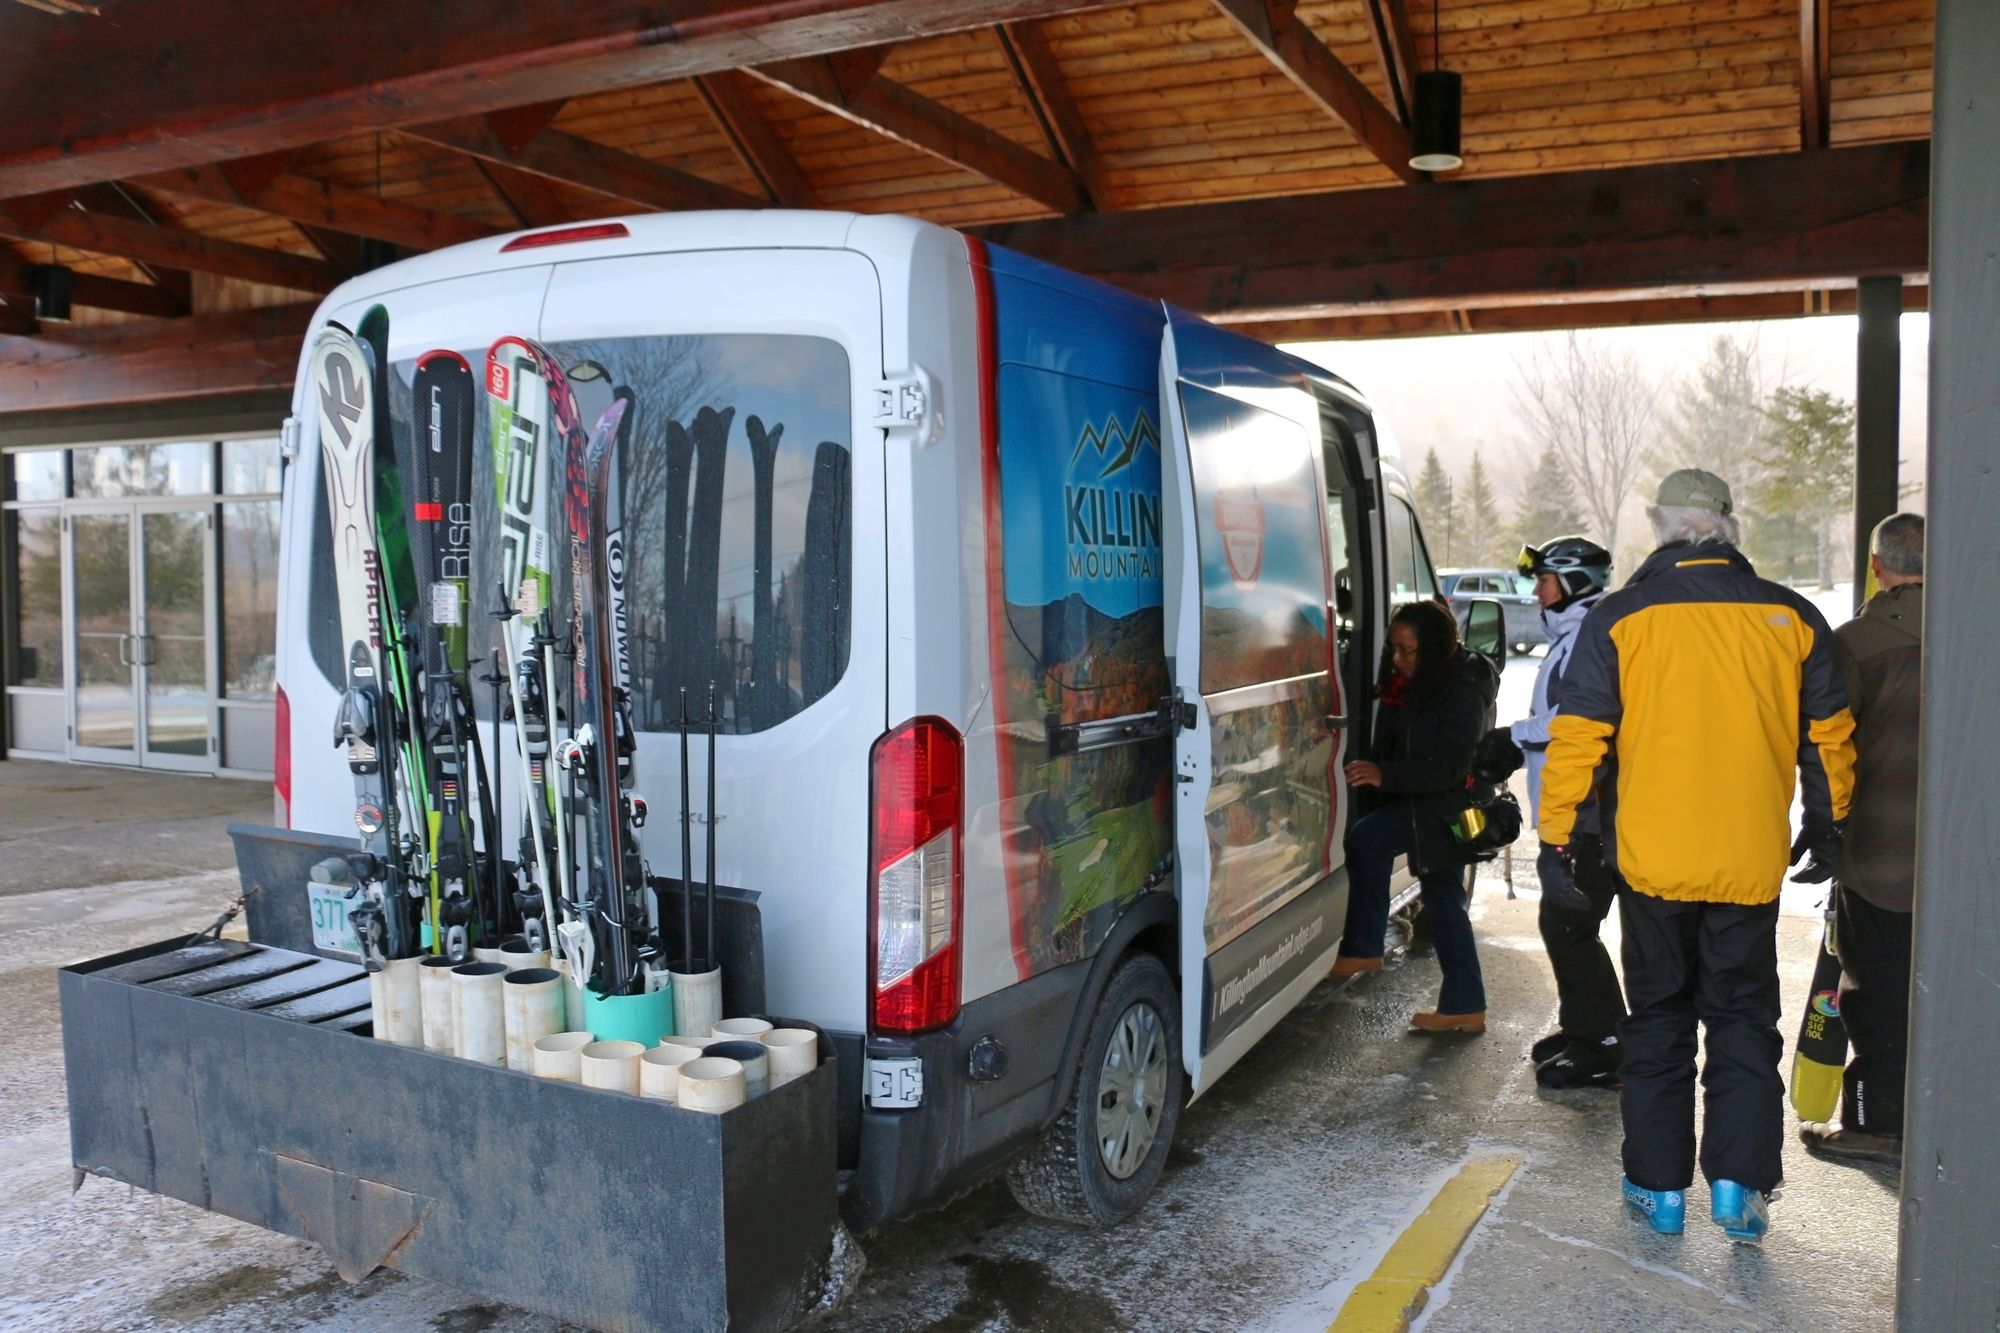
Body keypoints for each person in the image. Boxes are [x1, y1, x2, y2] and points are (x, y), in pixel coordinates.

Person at [1537, 468, 1856, 1244]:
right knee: (1744, 1018)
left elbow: (1578, 738)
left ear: (1664, 527)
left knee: (1659, 1021)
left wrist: (1555, 839)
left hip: (1653, 862)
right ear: (1726, 528)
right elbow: (1831, 736)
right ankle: (1739, 1189)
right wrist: (1828, 821)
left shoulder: (1622, 617)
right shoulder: (1793, 616)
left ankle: (1659, 1189)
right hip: (1746, 862)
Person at [1799, 512, 1924, 1165]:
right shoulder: (1976, 633)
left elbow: (1827, 746)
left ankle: (1878, 1123)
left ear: (1877, 566)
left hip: (1878, 855)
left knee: (1873, 988)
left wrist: (1826, 826)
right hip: (1959, 860)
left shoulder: (1855, 644)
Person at [1480, 536, 1625, 1089]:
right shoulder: (1572, 634)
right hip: (1572, 805)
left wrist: (1513, 736)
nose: (1535, 594)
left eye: (1542, 582)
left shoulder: (1589, 634)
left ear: (1574, 583)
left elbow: (1574, 717)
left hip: (1588, 810)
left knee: (1569, 924)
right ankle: (1589, 1026)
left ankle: (1604, 1045)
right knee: (1564, 923)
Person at [1332, 598, 1499, 1033]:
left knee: (1369, 841)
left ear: (1438, 647)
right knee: (1444, 901)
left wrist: (1384, 775)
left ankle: (1365, 946)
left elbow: (1449, 766)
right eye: (1394, 649)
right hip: (1425, 802)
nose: (1398, 659)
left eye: (1408, 651)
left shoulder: (1464, 686)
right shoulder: (1416, 679)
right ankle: (1465, 1006)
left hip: (1452, 808)